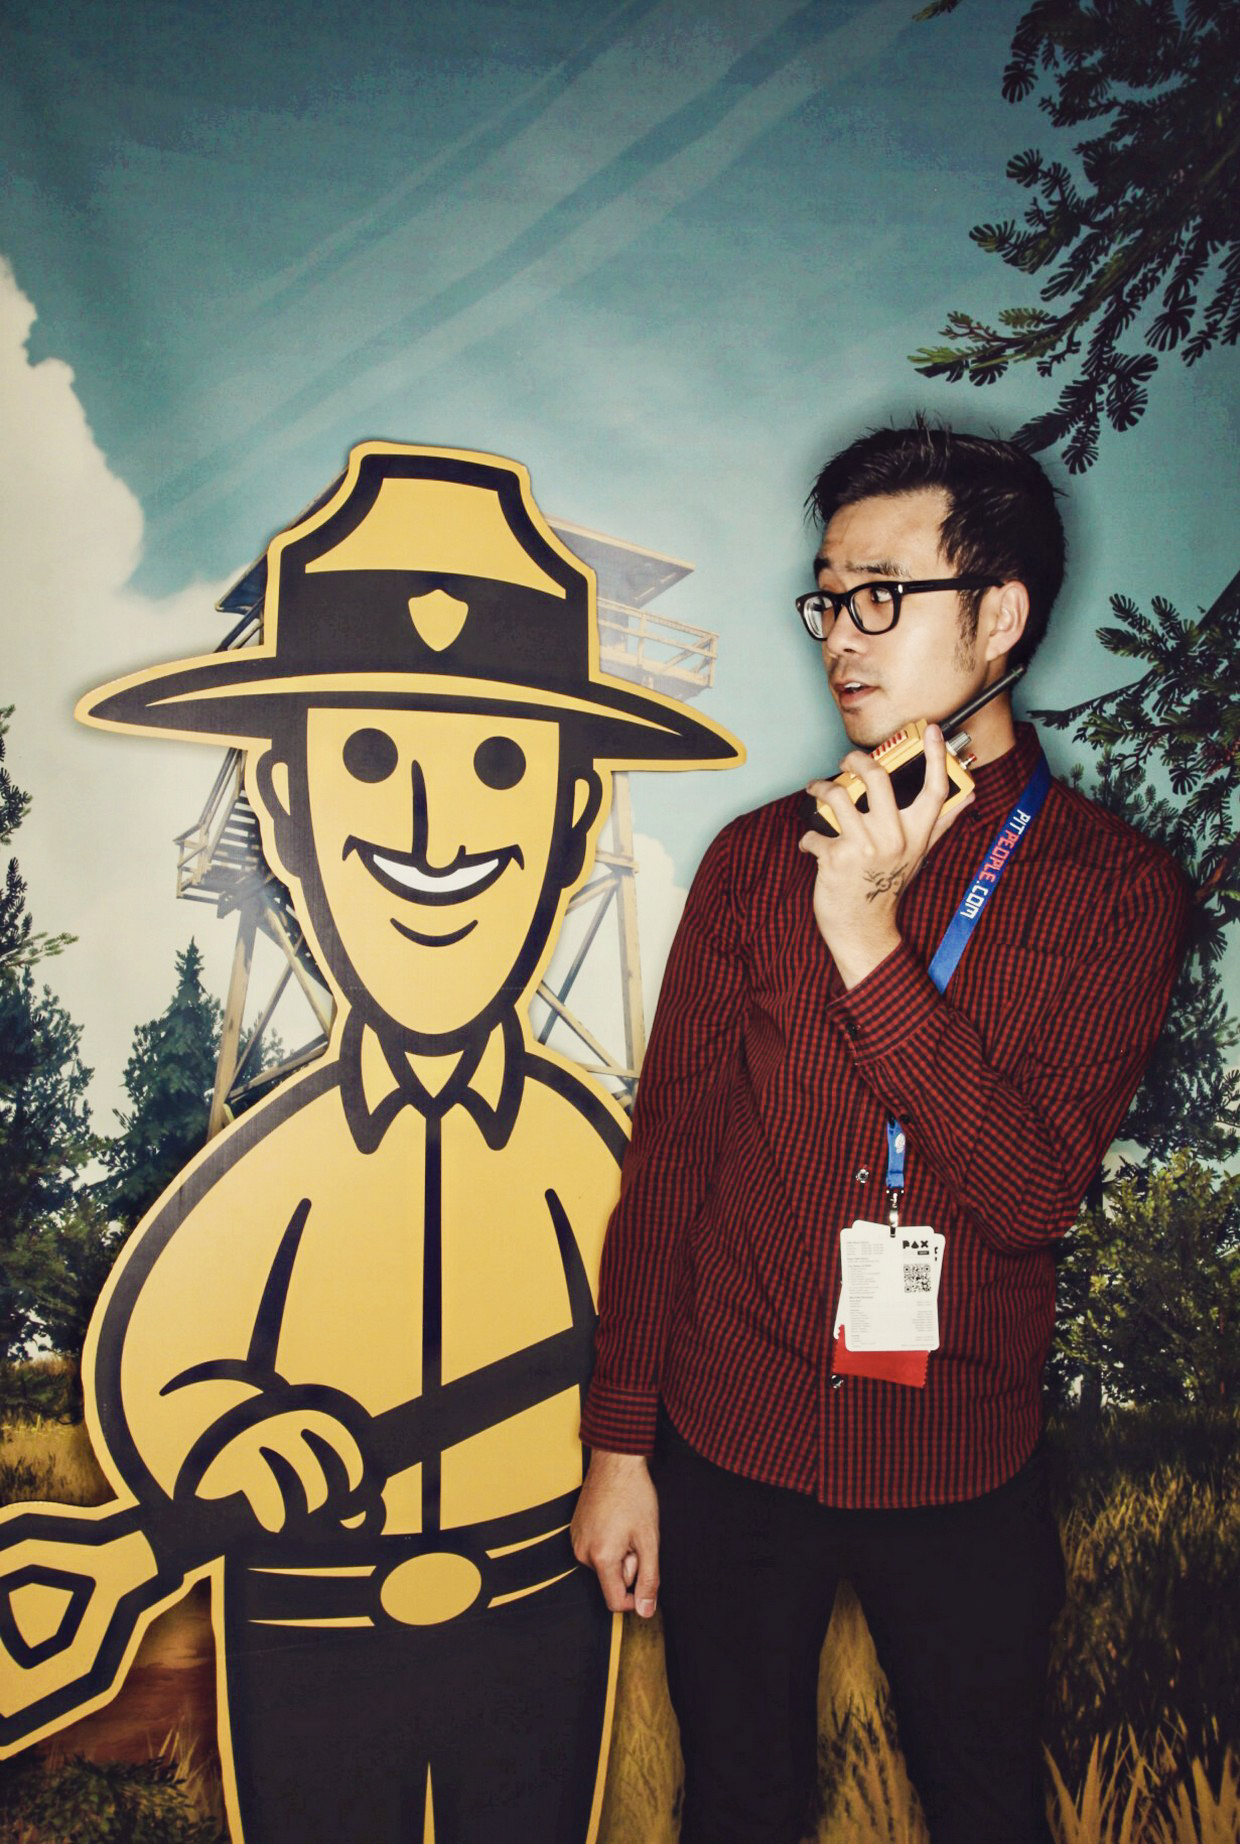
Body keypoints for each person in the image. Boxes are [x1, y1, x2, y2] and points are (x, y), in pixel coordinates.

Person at [0, 444, 738, 1841]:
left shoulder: (588, 1149)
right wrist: (231, 1427)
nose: (432, 829)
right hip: (309, 1625)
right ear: (282, 806)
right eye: (369, 758)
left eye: (501, 762)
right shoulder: (275, 1167)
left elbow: (667, 1327)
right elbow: (165, 1356)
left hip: (540, 1608)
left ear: (574, 815)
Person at [571, 421, 1189, 1844]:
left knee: (985, 1808)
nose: (841, 638)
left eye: (883, 596)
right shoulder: (750, 862)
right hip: (732, 1435)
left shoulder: (1114, 891)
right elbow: (669, 1172)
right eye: (829, 599)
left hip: (958, 1459)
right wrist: (619, 1449)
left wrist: (864, 938)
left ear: (999, 616)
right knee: (739, 1808)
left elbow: (1030, 1194)